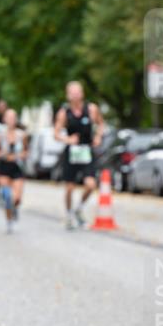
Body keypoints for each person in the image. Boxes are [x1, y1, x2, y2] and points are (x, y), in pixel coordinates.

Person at [54, 80, 105, 230]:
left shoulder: (91, 109)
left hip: (86, 150)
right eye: (73, 92)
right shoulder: (64, 112)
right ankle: (69, 214)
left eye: (78, 92)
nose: (76, 95)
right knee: (69, 188)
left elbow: (101, 124)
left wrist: (98, 136)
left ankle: (79, 208)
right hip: (72, 152)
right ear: (68, 95)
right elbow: (55, 133)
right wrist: (68, 139)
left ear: (82, 94)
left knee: (91, 184)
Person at [0, 109, 29, 233]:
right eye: (9, 117)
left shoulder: (21, 134)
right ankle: (9, 221)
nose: (11, 120)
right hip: (4, 167)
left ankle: (14, 209)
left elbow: (26, 152)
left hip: (17, 167)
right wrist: (3, 153)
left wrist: (18, 155)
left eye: (13, 117)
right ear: (4, 119)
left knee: (17, 198)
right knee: (7, 196)